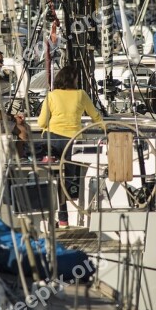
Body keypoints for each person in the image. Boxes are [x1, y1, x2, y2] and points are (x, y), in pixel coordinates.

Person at [37, 65, 104, 227]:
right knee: (67, 181)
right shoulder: (81, 95)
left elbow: (41, 122)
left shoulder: (51, 96)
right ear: (72, 79)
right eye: (76, 78)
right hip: (73, 142)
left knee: (54, 179)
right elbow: (95, 116)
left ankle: (61, 217)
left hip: (52, 141)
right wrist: (107, 129)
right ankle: (64, 217)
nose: (78, 81)